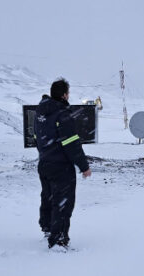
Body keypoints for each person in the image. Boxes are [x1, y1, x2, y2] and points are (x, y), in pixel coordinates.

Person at [34, 78, 91, 249]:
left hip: (44, 163)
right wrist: (84, 166)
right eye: (68, 92)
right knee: (62, 203)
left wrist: (46, 154)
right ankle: (58, 240)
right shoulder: (62, 114)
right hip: (61, 167)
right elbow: (71, 143)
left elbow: (37, 138)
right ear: (64, 95)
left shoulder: (41, 113)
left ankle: (48, 228)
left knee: (48, 197)